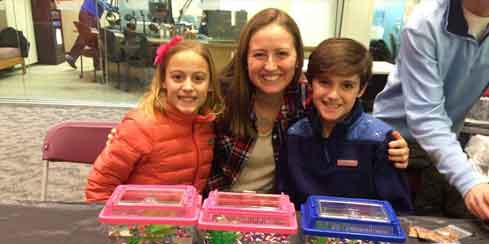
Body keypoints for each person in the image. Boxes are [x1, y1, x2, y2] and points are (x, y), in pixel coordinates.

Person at [205, 8, 410, 195]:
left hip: (278, 211)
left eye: (282, 54)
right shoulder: (221, 99)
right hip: (221, 206)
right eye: (259, 55)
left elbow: (347, 117)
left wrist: (387, 145)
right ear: (245, 58)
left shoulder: (307, 98)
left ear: (297, 58)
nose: (270, 66)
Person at [373, 0, 489, 219]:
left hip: (446, 143)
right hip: (397, 142)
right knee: (404, 228)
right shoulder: (425, 23)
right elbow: (426, 116)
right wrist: (470, 181)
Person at [277, 38, 412, 212]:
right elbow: (283, 200)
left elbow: (398, 213)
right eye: (325, 82)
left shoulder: (380, 142)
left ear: (361, 90)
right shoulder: (294, 135)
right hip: (304, 231)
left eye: (347, 85)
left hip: (361, 235)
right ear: (311, 84)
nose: (333, 95)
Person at [85, 37, 224, 202]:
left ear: (209, 85)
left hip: (182, 222)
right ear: (164, 81)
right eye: (178, 77)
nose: (188, 87)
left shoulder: (208, 124)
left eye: (198, 78)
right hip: (138, 223)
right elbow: (99, 189)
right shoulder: (139, 126)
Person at [65, 0, 115, 69]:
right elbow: (100, 2)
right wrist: (108, 7)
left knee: (97, 38)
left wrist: (111, 7)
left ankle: (97, 65)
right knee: (86, 34)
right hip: (88, 14)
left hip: (94, 17)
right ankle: (72, 56)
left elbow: (104, 3)